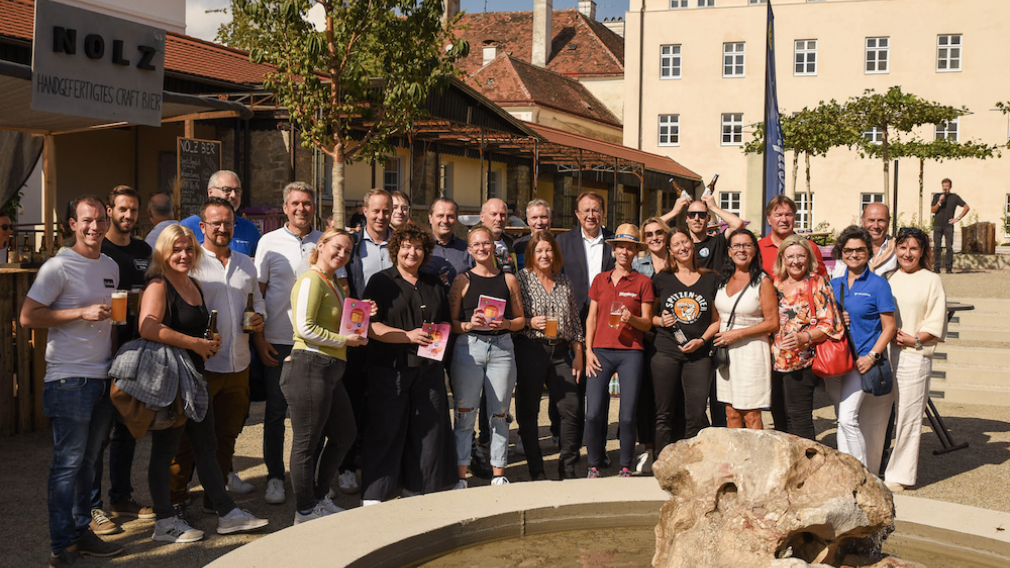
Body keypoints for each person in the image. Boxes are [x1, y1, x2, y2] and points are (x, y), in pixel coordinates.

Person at [138, 225, 268, 542]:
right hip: (170, 379)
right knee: (166, 451)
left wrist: (208, 342)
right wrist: (194, 343)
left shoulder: (193, 284)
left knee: (206, 446)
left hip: (195, 377)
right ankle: (164, 522)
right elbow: (147, 326)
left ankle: (227, 513)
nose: (183, 254)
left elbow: (197, 327)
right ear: (163, 253)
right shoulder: (159, 284)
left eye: (188, 249)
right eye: (176, 249)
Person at [20, 195, 124, 566]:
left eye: (99, 219)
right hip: (68, 379)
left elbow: (110, 319)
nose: (94, 226)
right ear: (71, 225)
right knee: (68, 464)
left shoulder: (111, 264)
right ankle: (62, 545)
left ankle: (82, 531)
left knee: (90, 462)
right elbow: (29, 317)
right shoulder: (57, 266)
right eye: (86, 220)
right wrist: (80, 312)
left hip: (101, 375)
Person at [172, 198, 266, 508]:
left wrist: (258, 323)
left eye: (228, 223)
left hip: (239, 363)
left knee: (227, 434)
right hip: (203, 365)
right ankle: (176, 495)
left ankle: (216, 493)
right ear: (203, 227)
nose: (223, 228)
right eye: (216, 223)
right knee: (188, 435)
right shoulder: (191, 262)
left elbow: (258, 305)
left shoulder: (246, 262)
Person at [361, 222, 457, 503]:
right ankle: (377, 493)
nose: (412, 252)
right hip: (390, 369)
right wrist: (408, 336)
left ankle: (421, 487)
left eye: (418, 247)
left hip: (428, 370)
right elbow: (371, 327)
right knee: (386, 430)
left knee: (428, 430)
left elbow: (444, 323)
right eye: (406, 246)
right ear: (396, 249)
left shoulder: (434, 283)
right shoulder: (381, 282)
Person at [283, 228, 365, 523]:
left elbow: (341, 325)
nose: (342, 254)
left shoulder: (334, 284)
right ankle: (304, 510)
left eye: (347, 251)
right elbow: (304, 329)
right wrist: (346, 341)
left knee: (345, 434)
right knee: (306, 441)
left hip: (330, 369)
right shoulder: (311, 279)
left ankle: (317, 497)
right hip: (310, 366)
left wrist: (362, 319)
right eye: (337, 248)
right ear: (321, 245)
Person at [253, 181, 323, 505]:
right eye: (295, 203)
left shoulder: (323, 242)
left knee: (312, 415)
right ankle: (274, 477)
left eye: (307, 203)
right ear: (285, 207)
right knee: (276, 414)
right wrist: (259, 337)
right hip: (279, 341)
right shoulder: (268, 243)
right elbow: (258, 295)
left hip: (316, 343)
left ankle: (310, 476)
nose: (301, 209)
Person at [91, 186, 154, 535]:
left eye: (133, 210)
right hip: (104, 351)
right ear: (110, 210)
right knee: (99, 434)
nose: (127, 216)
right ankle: (92, 507)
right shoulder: (100, 249)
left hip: (138, 351)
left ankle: (121, 497)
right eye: (122, 210)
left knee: (128, 429)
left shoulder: (145, 250)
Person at [448, 226, 526, 487]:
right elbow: (451, 323)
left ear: (494, 245)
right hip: (469, 348)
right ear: (469, 250)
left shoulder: (509, 279)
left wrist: (505, 324)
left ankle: (498, 474)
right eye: (476, 244)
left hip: (502, 348)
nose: (482, 248)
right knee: (465, 414)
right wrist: (469, 324)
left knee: (500, 415)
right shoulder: (462, 280)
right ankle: (461, 477)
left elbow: (521, 321)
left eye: (486, 243)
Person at [584, 224, 654, 478]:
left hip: (631, 353)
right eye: (621, 246)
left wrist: (631, 318)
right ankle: (593, 463)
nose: (625, 251)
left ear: (636, 251)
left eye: (630, 247)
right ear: (614, 250)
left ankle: (625, 465)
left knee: (626, 415)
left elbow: (647, 322)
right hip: (600, 350)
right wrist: (588, 350)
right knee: (592, 413)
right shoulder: (599, 280)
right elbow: (591, 318)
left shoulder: (643, 282)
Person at [515, 231, 585, 480]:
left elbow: (576, 322)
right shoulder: (520, 279)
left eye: (548, 250)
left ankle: (567, 466)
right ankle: (537, 471)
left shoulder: (564, 282)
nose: (544, 255)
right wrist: (529, 322)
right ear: (531, 255)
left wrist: (578, 353)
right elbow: (512, 320)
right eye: (539, 251)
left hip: (560, 352)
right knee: (529, 411)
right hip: (531, 350)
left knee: (572, 407)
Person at [340, 188, 395, 495]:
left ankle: (377, 463)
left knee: (383, 402)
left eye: (386, 210)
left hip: (390, 333)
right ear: (364, 210)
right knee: (352, 400)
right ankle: (346, 465)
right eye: (375, 210)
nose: (381, 216)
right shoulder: (354, 245)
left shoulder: (400, 245)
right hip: (358, 333)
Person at [828, 225, 896, 472]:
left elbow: (889, 326)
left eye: (859, 250)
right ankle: (845, 475)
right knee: (841, 420)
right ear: (841, 252)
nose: (854, 254)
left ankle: (862, 476)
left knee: (848, 418)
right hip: (837, 361)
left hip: (861, 360)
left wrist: (872, 356)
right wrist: (837, 320)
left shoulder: (878, 285)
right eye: (848, 250)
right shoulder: (834, 284)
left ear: (868, 252)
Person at [884, 227, 947, 492]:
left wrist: (915, 339)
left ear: (922, 252)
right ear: (895, 249)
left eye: (913, 248)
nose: (907, 253)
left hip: (914, 355)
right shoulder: (887, 278)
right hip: (885, 355)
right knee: (879, 415)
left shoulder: (931, 280)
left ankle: (900, 475)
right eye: (902, 247)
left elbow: (937, 319)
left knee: (909, 416)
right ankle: (875, 465)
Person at [650, 227, 719, 452]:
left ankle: (693, 464)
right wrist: (662, 320)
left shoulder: (711, 279)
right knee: (663, 413)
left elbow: (718, 320)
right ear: (670, 250)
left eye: (685, 242)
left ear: (692, 243)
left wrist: (702, 340)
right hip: (666, 352)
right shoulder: (662, 279)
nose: (683, 247)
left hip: (699, 355)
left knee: (696, 413)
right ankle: (661, 463)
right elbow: (648, 316)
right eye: (676, 244)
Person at [770, 236, 843, 440]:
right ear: (782, 258)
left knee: (799, 420)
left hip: (801, 363)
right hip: (773, 363)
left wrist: (805, 337)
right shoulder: (774, 284)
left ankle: (807, 467)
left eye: (801, 256)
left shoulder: (817, 283)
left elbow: (832, 324)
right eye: (790, 256)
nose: (796, 261)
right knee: (780, 420)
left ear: (808, 258)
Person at [712, 229, 779, 429]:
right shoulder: (723, 280)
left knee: (751, 414)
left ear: (754, 250)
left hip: (751, 352)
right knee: (730, 412)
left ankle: (755, 460)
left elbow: (773, 323)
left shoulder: (762, 281)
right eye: (736, 245)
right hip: (727, 353)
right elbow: (718, 316)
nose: (741, 249)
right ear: (729, 251)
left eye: (747, 245)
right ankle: (736, 460)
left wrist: (738, 333)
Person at [630, 216, 671, 473]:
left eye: (659, 232)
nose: (655, 237)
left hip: (674, 339)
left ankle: (671, 448)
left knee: (670, 397)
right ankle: (648, 447)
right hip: (645, 337)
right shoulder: (637, 264)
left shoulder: (679, 260)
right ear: (644, 240)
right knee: (644, 396)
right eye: (649, 234)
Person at [556, 191, 615, 322]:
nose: (591, 215)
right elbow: (556, 276)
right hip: (572, 314)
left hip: (605, 313)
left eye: (595, 210)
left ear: (603, 214)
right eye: (586, 211)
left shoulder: (614, 241)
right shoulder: (563, 241)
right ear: (577, 214)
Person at [660, 183, 745, 271]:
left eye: (702, 215)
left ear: (708, 218)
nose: (697, 218)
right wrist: (675, 212)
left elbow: (738, 224)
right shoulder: (681, 247)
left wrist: (714, 207)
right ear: (686, 218)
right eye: (692, 215)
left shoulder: (717, 242)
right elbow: (650, 228)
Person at [180, 170, 260, 257]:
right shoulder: (187, 227)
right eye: (227, 190)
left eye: (237, 191)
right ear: (210, 192)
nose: (233, 195)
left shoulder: (249, 229)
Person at [757, 195, 827, 278]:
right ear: (769, 219)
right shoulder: (757, 248)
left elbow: (823, 280)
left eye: (788, 215)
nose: (784, 220)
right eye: (778, 215)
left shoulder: (810, 247)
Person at [832, 202, 897, 279]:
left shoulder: (898, 249)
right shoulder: (847, 247)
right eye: (871, 220)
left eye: (881, 220)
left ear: (888, 222)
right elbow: (838, 280)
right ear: (863, 220)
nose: (876, 226)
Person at [422, 197, 474, 291]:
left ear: (456, 218)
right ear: (430, 218)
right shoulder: (419, 247)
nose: (445, 221)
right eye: (440, 216)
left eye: (450, 216)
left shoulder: (467, 250)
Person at [930, 178, 969, 274]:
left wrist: (958, 218)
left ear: (950, 187)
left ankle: (948, 268)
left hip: (948, 225)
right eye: (943, 186)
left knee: (949, 247)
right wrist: (939, 202)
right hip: (938, 225)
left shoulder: (954, 197)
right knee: (937, 246)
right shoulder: (937, 196)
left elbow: (966, 207)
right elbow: (933, 210)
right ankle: (937, 267)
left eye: (947, 186)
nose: (945, 188)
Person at [477, 198, 517, 274]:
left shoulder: (512, 244)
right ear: (482, 217)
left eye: (502, 215)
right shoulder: (474, 246)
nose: (499, 219)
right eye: (493, 214)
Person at [513, 198, 552, 266]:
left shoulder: (561, 243)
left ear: (550, 218)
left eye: (543, 217)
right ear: (528, 221)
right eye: (534, 218)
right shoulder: (518, 245)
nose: (539, 222)